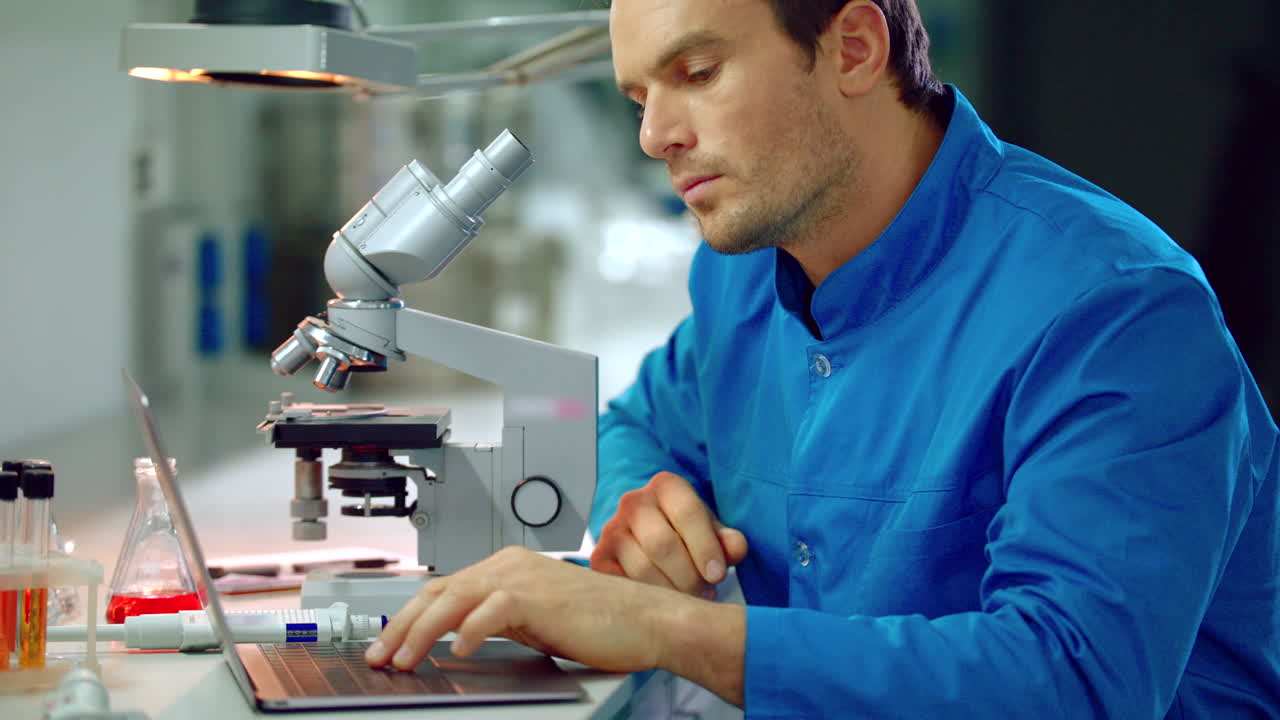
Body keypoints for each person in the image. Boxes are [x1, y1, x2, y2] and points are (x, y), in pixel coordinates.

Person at [365, 0, 1280, 716]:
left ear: (853, 49)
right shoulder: (744, 277)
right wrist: (637, 504)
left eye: (697, 71)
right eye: (641, 99)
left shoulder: (1114, 307)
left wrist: (666, 629)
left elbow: (1074, 683)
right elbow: (636, 425)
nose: (656, 137)